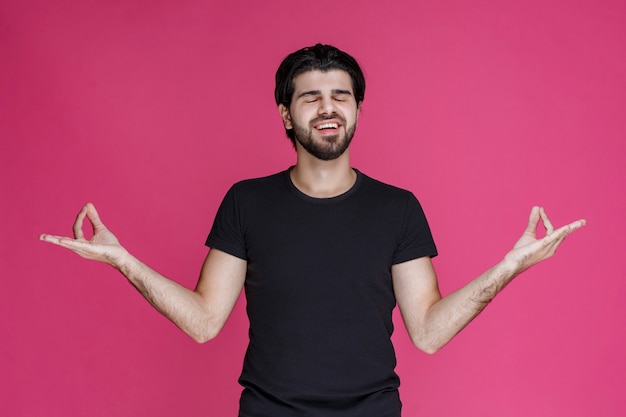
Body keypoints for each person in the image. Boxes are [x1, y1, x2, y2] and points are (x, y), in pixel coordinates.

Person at [40, 44, 586, 417]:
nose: (328, 109)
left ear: (357, 109)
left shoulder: (397, 208)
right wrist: (124, 262)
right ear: (285, 114)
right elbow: (205, 322)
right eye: (311, 97)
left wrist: (510, 267)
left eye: (341, 96)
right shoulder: (246, 201)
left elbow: (428, 331)